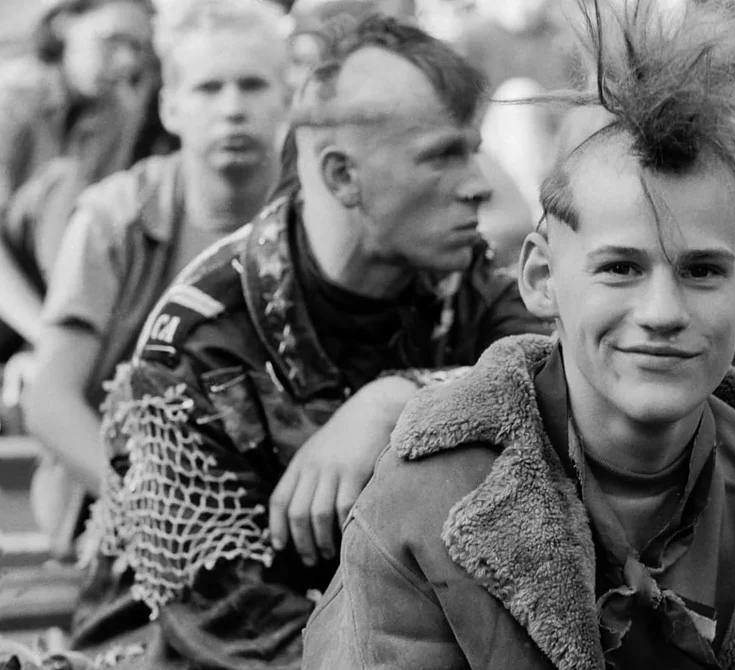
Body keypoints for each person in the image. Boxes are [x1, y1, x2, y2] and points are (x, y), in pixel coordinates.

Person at [302, 1, 735, 668]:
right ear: (541, 277)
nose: (662, 310)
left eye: (703, 271)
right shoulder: (433, 500)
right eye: (621, 268)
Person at [69, 12, 547, 669]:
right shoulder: (195, 349)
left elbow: (558, 379)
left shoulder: (456, 280)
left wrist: (395, 399)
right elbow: (244, 632)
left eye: (472, 147)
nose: (480, 184)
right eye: (443, 154)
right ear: (343, 176)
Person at [22, 0, 289, 545]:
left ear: (288, 98)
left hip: (279, 496)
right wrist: (156, 500)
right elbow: (49, 400)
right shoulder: (114, 217)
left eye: (253, 85)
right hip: (118, 500)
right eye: (208, 89)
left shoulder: (312, 216)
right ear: (170, 108)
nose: (232, 107)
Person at [0, 0, 173, 362]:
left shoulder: (116, 112)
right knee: (66, 180)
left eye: (138, 49)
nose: (126, 62)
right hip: (20, 294)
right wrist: (47, 339)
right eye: (113, 40)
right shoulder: (11, 95)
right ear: (65, 24)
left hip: (45, 289)